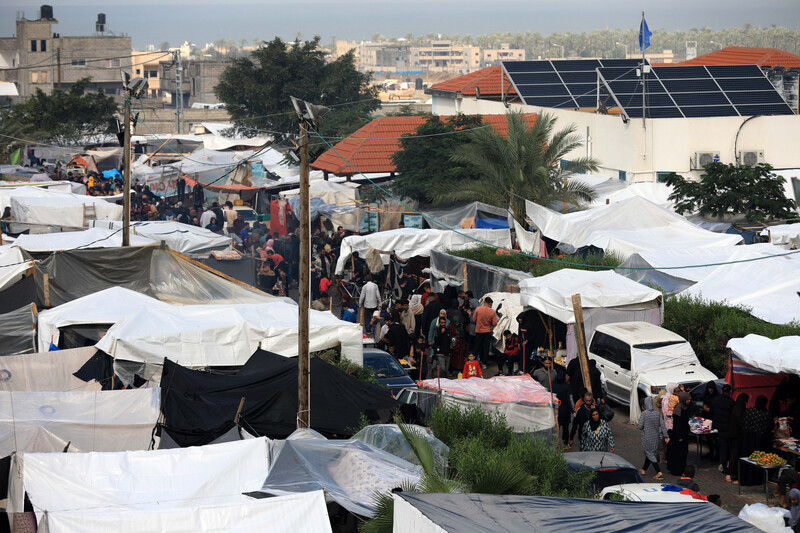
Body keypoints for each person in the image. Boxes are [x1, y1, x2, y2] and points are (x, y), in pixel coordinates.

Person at [739, 395, 775, 486]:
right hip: (758, 442)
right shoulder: (765, 415)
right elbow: (770, 426)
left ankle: (743, 479)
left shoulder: (749, 411)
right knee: (755, 460)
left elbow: (742, 423)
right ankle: (754, 480)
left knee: (746, 459)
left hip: (746, 439)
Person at [638, 396, 669, 480]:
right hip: (656, 438)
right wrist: (666, 436)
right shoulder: (657, 413)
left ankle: (658, 471)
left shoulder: (644, 414)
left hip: (647, 438)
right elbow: (663, 426)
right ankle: (644, 469)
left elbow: (640, 426)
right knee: (650, 453)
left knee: (649, 453)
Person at [711, 384, 735, 474]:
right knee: (727, 448)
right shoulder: (731, 402)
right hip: (727, 428)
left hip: (718, 427)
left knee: (722, 448)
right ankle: (726, 467)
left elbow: (712, 411)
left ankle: (723, 465)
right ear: (730, 392)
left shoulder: (716, 400)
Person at [726, 393, 749, 484]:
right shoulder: (741, 411)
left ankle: (729, 473)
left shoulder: (734, 408)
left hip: (731, 435)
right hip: (737, 436)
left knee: (732, 454)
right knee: (735, 455)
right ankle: (731, 474)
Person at [668, 391, 691, 476]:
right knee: (678, 454)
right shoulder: (678, 409)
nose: (689, 401)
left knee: (684, 453)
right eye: (688, 399)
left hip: (684, 434)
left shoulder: (685, 407)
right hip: (679, 436)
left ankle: (682, 469)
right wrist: (679, 436)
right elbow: (677, 425)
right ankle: (677, 470)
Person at [472, 297, 497, 368]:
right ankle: (484, 364)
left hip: (478, 331)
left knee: (477, 346)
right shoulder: (492, 311)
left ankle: (473, 362)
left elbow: (474, 319)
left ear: (484, 302)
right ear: (489, 303)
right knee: (486, 348)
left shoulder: (478, 309)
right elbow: (494, 324)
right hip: (487, 331)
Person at [552, 372, 573, 448]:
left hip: (556, 410)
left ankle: (555, 444)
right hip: (565, 410)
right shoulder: (567, 387)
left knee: (556, 428)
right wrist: (572, 410)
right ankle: (565, 444)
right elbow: (570, 399)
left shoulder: (553, 386)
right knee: (565, 428)